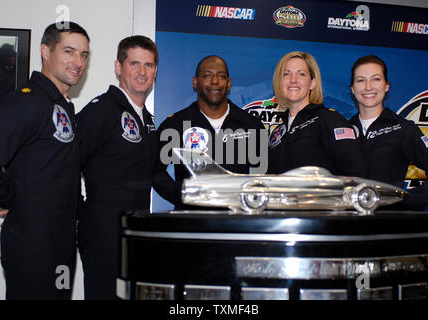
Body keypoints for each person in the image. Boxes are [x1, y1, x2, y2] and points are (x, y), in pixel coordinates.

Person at [0, 22, 90, 299]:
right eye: (69, 51)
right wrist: (15, 201)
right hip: (32, 243)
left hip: (61, 239)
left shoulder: (62, 107)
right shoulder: (24, 102)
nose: (78, 62)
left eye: (84, 55)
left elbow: (57, 171)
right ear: (45, 52)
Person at [77, 35, 175, 300]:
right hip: (103, 232)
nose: (142, 72)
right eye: (134, 64)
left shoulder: (147, 120)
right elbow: (66, 161)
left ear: (155, 70)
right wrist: (76, 209)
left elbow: (155, 173)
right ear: (118, 67)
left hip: (133, 231)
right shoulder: (102, 110)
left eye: (149, 65)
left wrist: (194, 199)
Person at [157, 55, 266, 209]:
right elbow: (156, 172)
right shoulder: (176, 125)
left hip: (236, 224)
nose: (215, 81)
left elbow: (266, 173)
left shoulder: (250, 125)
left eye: (221, 76)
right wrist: (183, 198)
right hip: (191, 226)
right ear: (195, 82)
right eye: (207, 75)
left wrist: (250, 200)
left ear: (229, 84)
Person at [349, 55, 428, 210]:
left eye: (376, 79)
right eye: (361, 80)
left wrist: (401, 201)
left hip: (385, 226)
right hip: (346, 225)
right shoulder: (343, 130)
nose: (368, 87)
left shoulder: (403, 129)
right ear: (353, 89)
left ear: (386, 86)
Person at [268, 51, 368, 178]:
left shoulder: (330, 121)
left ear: (312, 83)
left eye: (301, 74)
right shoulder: (277, 133)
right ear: (279, 82)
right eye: (286, 74)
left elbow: (356, 174)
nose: (293, 80)